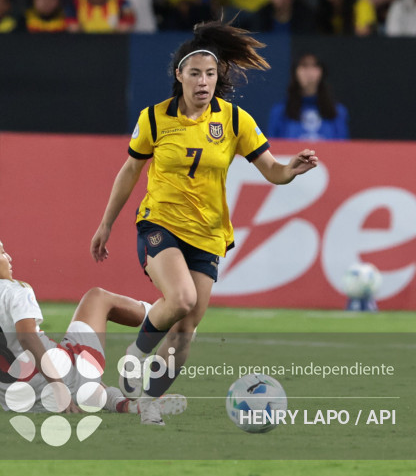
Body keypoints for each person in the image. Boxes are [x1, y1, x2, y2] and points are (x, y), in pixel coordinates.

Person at [90, 21, 318, 425]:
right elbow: (130, 170)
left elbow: (272, 170)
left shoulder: (234, 120)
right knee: (181, 299)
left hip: (209, 235)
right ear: (179, 75)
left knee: (185, 331)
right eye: (195, 73)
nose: (203, 82)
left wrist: (291, 169)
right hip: (160, 223)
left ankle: (148, 402)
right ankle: (135, 356)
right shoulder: (155, 119)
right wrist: (106, 223)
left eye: (210, 74)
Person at [0, 227, 187, 418]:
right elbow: (27, 337)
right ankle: (165, 316)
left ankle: (124, 405)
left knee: (82, 377)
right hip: (63, 381)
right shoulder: (13, 290)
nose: (8, 257)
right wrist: (57, 387)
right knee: (97, 297)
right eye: (2, 251)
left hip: (22, 406)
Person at [268, 53, 349, 141]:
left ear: (322, 71)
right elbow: (274, 146)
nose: (309, 72)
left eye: (314, 66)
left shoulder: (337, 111)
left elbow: (342, 146)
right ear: (295, 71)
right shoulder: (280, 111)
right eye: (304, 65)